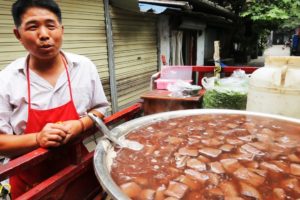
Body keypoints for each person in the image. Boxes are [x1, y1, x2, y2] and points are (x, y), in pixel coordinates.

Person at [0, 0, 109, 198]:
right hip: (31, 183)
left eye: (50, 26)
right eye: (33, 27)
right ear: (18, 35)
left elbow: (100, 108)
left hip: (78, 171)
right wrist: (37, 138)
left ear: (61, 30)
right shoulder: (6, 80)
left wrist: (80, 125)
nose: (44, 35)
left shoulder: (84, 67)